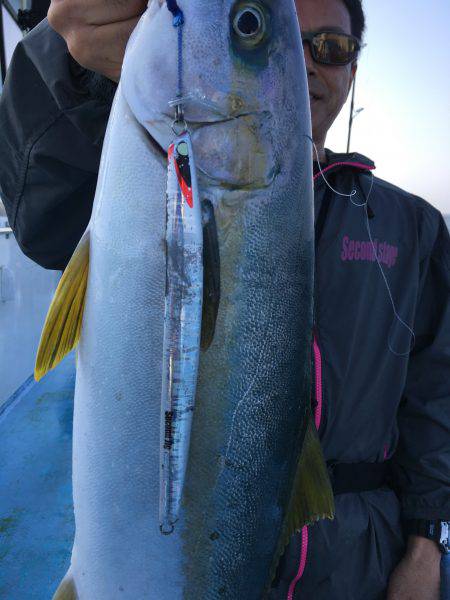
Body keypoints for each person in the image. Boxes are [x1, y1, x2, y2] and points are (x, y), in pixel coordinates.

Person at [0, 0, 449, 598]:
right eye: (263, 28)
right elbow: (42, 210)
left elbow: (436, 397)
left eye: (333, 49)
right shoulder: (131, 160)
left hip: (361, 564)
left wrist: (428, 544)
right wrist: (66, 60)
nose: (311, 66)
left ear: (353, 70)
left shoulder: (413, 226)